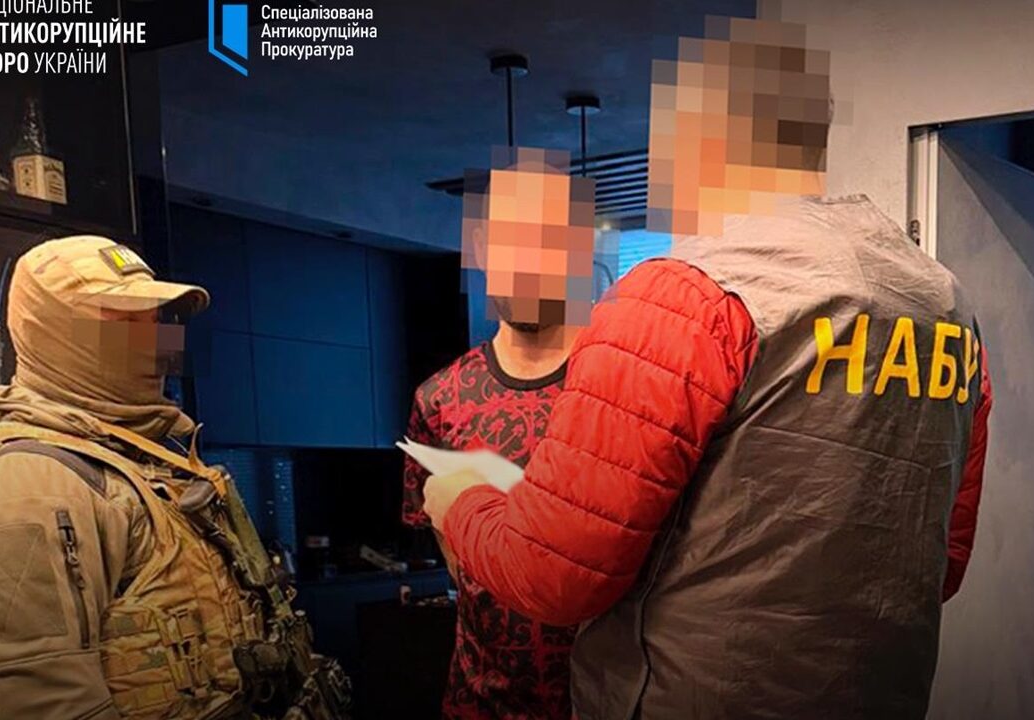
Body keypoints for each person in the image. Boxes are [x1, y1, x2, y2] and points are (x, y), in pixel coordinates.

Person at [423, 16, 993, 720]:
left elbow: (554, 574)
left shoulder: (684, 296)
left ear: (697, 142)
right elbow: (940, 568)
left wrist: (461, 504)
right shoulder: (947, 310)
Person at [0, 236, 350, 720]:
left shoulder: (130, 450)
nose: (156, 343)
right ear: (59, 335)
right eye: (124, 323)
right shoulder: (29, 483)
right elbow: (50, 700)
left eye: (156, 320)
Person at [401, 147, 597, 719]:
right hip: (481, 704)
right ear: (482, 247)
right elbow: (459, 567)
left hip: (605, 700)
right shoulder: (439, 401)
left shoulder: (618, 384)